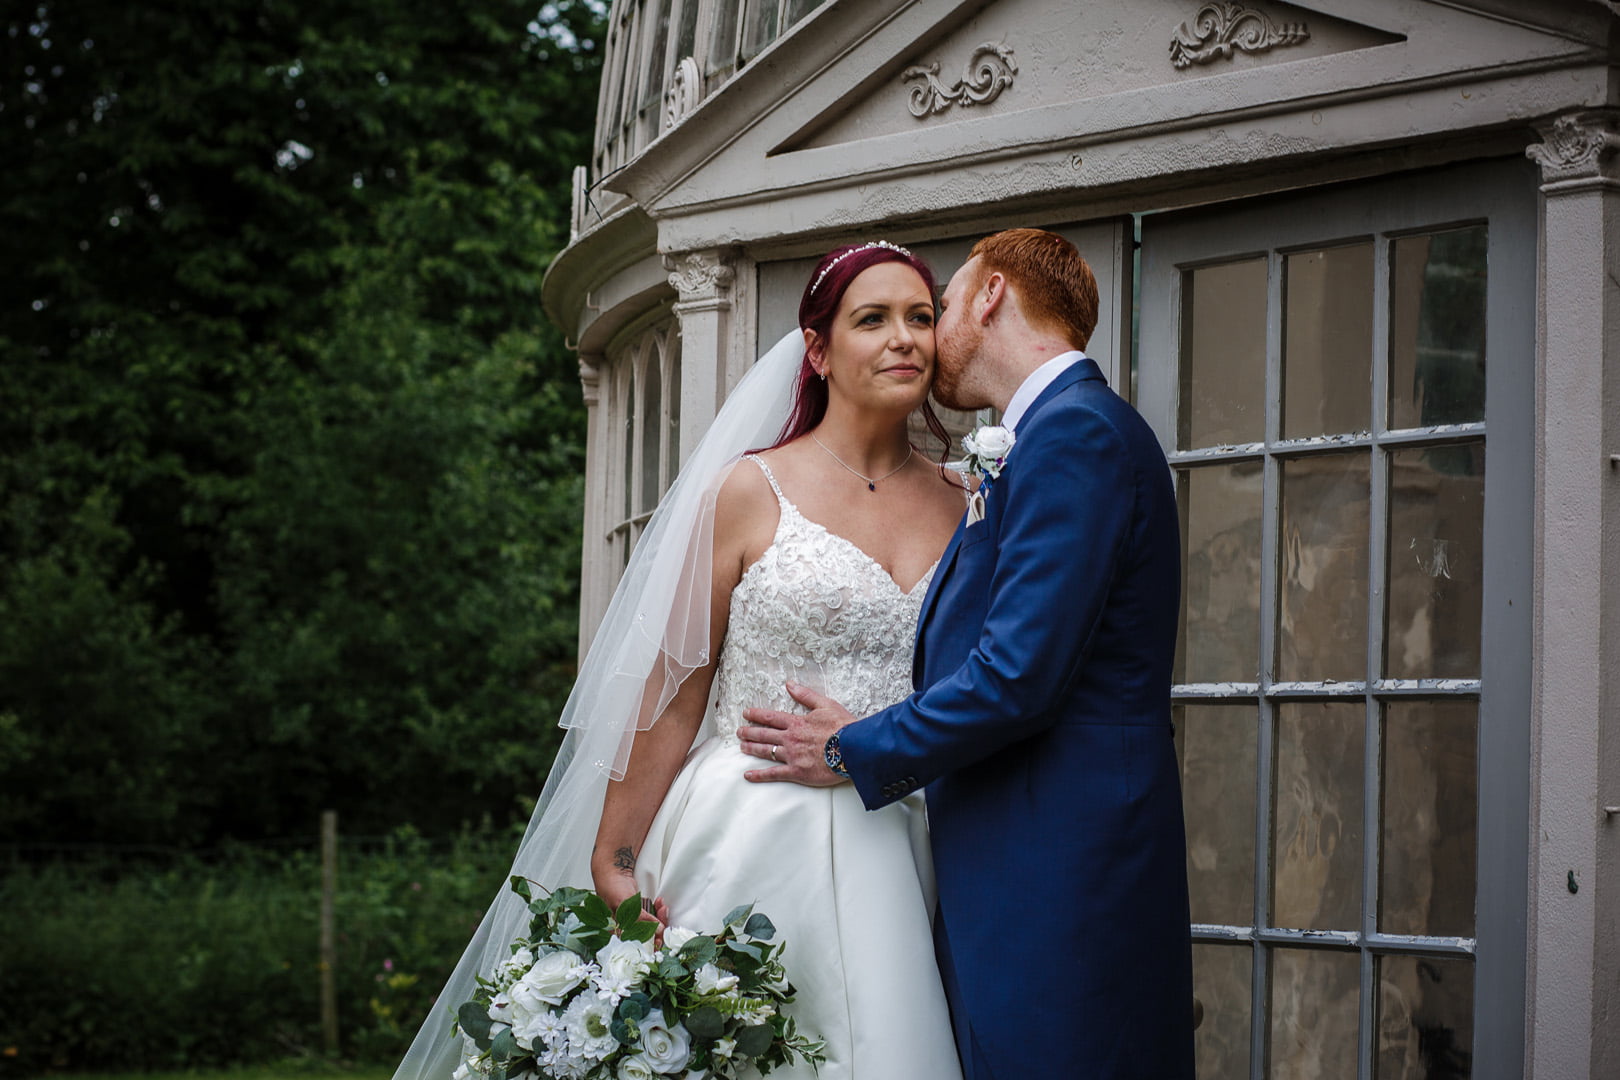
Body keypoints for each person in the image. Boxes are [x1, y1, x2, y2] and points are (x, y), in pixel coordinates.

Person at [393, 241, 967, 1080]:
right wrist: (614, 858)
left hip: (908, 836)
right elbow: (674, 692)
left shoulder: (968, 499)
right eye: (872, 319)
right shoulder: (751, 489)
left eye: (920, 317)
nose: (904, 338)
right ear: (818, 350)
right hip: (750, 831)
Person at [738, 228, 1197, 1080]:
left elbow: (1016, 677)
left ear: (990, 297)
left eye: (938, 307)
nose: (924, 336)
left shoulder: (1076, 434)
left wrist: (848, 747)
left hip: (1061, 869)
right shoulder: (1051, 435)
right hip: (1006, 860)